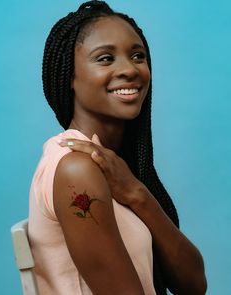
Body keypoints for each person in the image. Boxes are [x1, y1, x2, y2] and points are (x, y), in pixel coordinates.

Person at [28, 1, 207, 294]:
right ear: (69, 77)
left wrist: (138, 194)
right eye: (105, 58)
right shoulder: (76, 169)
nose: (129, 69)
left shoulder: (116, 167)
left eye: (138, 56)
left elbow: (195, 284)